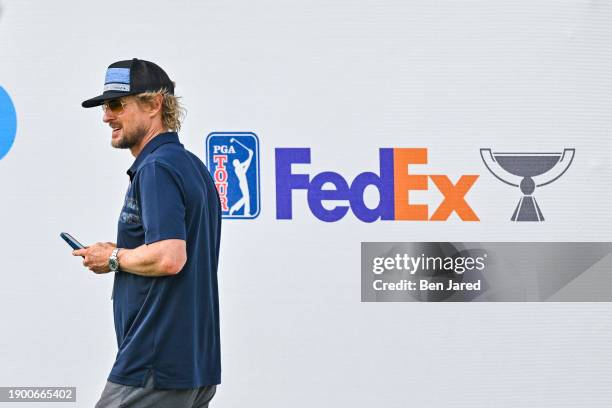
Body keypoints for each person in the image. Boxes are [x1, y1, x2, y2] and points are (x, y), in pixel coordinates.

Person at [75, 58, 221, 408]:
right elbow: (169, 248)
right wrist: (125, 251)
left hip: (154, 365)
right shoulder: (190, 166)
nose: (106, 116)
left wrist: (111, 258)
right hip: (192, 366)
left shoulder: (157, 167)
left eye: (116, 105)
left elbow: (170, 257)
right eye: (105, 106)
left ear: (155, 104)